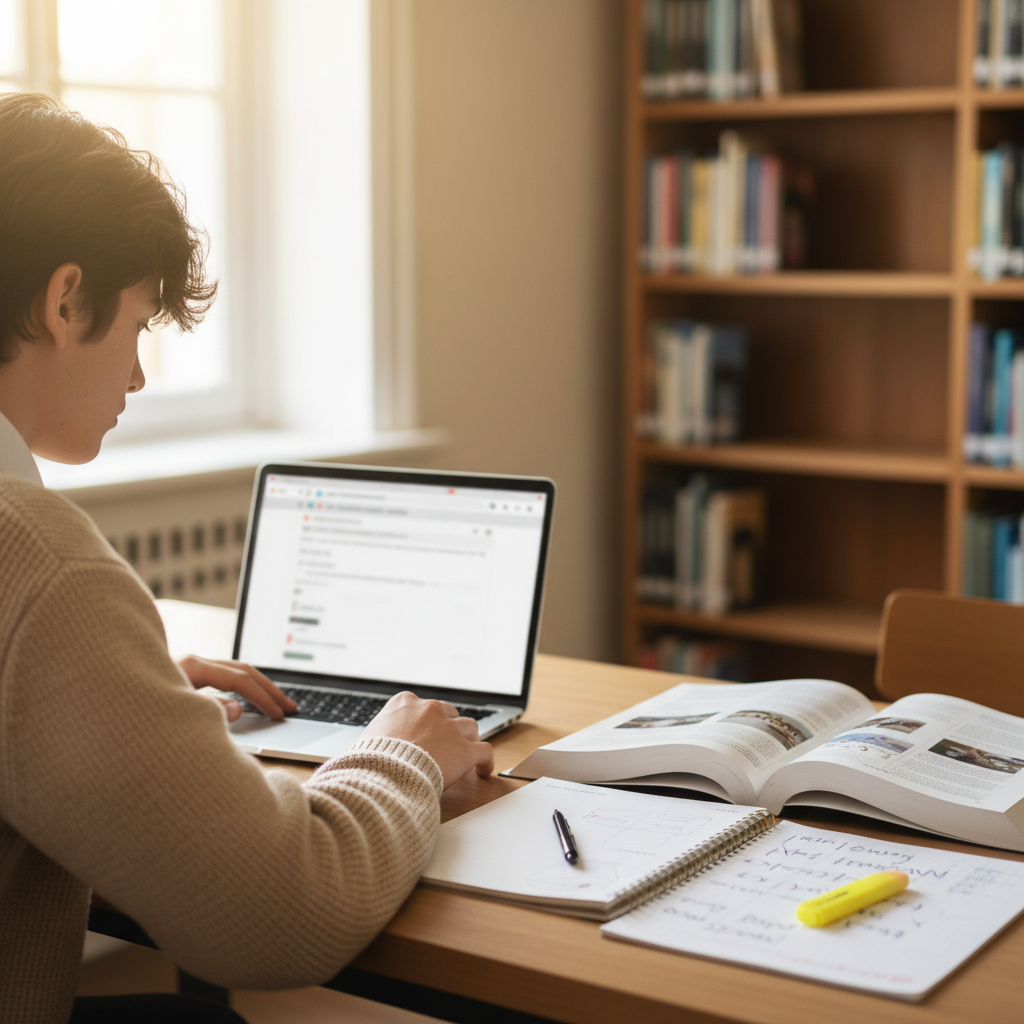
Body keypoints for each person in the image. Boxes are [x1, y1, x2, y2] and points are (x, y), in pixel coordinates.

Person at [0, 92, 494, 1024]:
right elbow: (279, 914)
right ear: (65, 301)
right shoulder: (35, 564)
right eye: (138, 326)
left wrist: (119, 692)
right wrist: (402, 756)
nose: (138, 378)